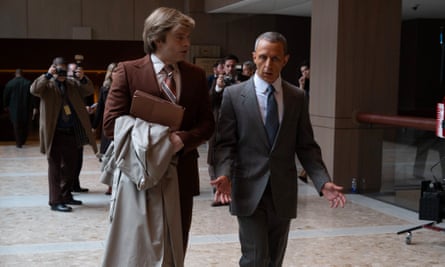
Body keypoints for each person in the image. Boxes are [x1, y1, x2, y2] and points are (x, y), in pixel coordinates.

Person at [210, 32, 346, 266]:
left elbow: (306, 146)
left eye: (275, 58)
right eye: (262, 57)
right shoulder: (234, 96)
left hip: (282, 192)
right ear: (254, 57)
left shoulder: (297, 97)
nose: (268, 64)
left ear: (285, 60)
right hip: (247, 188)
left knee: (274, 259)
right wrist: (223, 173)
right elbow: (225, 144)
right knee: (255, 259)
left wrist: (322, 181)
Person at [101, 7, 214, 265]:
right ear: (157, 39)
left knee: (177, 243)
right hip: (139, 173)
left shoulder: (195, 75)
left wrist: (182, 140)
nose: (187, 43)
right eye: (180, 37)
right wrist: (156, 138)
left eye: (188, 37)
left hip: (181, 171)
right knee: (137, 246)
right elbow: (110, 124)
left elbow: (207, 124)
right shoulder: (128, 71)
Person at [30, 57, 98, 212]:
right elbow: (34, 89)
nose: (61, 73)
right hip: (54, 132)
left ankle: (66, 195)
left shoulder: (72, 84)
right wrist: (47, 75)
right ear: (53, 68)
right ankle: (55, 201)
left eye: (63, 70)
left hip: (71, 132)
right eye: (58, 69)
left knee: (70, 166)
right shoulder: (47, 85)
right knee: (54, 167)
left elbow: (88, 90)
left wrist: (82, 78)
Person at [207, 54, 240, 206]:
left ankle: (230, 191)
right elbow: (209, 102)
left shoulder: (243, 82)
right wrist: (219, 87)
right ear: (223, 67)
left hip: (236, 127)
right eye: (228, 66)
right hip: (217, 126)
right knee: (213, 159)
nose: (230, 69)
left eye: (234, 66)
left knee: (233, 159)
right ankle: (217, 193)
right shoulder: (216, 82)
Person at [92, 62, 117, 195]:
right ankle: (109, 185)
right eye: (113, 71)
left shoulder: (124, 86)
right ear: (109, 73)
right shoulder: (105, 88)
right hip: (107, 126)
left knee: (118, 157)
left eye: (117, 71)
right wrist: (94, 125)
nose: (115, 73)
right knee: (107, 157)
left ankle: (116, 185)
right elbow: (100, 108)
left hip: (120, 126)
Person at [67, 62, 91, 193]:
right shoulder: (63, 84)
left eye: (76, 71)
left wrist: (82, 78)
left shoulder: (80, 83)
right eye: (72, 71)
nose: (74, 74)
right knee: (68, 159)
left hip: (79, 125)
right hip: (67, 125)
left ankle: (75, 184)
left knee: (78, 158)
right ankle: (67, 186)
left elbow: (89, 90)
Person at [3, 69, 32, 148]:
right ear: (22, 74)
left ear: (15, 74)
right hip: (25, 107)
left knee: (16, 125)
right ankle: (23, 140)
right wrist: (34, 107)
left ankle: (18, 143)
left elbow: (6, 96)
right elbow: (32, 97)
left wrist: (5, 106)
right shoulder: (28, 83)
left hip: (14, 108)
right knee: (25, 125)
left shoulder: (10, 83)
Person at [297, 60, 310, 183]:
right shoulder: (305, 85)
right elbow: (301, 101)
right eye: (302, 71)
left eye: (306, 70)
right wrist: (301, 86)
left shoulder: (316, 83)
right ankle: (304, 172)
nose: (304, 73)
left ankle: (305, 172)